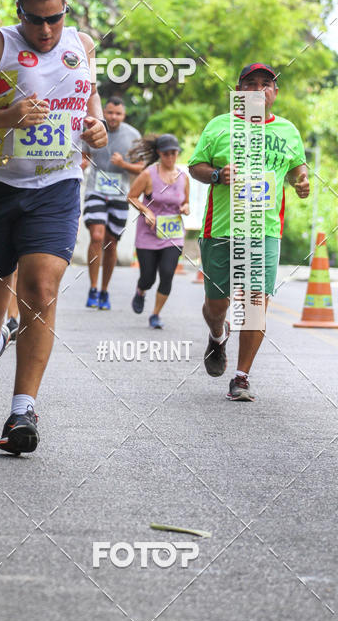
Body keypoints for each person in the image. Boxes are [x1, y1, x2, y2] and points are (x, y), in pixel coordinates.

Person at [0, 0, 107, 454]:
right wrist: (6, 117)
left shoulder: (84, 45)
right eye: (36, 20)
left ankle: (21, 412)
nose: (46, 30)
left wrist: (95, 125)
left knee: (41, 286)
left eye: (54, 18)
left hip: (56, 186)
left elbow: (89, 95)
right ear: (20, 13)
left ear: (65, 11)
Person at [188, 63, 309, 401]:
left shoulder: (287, 131)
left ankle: (241, 377)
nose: (258, 90)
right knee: (217, 304)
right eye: (250, 84)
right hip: (221, 230)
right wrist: (216, 176)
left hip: (265, 230)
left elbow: (298, 169)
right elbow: (195, 166)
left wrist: (301, 182)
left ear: (275, 93)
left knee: (255, 304)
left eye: (265, 84)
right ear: (239, 92)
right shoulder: (219, 126)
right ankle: (217, 335)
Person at [82, 97, 142, 309]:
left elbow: (141, 167)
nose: (113, 117)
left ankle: (105, 291)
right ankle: (93, 287)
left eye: (118, 114)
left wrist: (123, 163)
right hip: (95, 191)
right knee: (97, 236)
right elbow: (83, 156)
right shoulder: (93, 128)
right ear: (104, 112)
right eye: (109, 113)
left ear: (123, 116)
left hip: (119, 195)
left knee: (111, 242)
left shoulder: (133, 135)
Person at [127, 134, 189, 328]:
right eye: (166, 154)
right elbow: (131, 197)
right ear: (159, 154)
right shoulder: (148, 174)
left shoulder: (183, 177)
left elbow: (186, 202)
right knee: (148, 277)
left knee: (167, 272)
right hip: (149, 233)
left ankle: (155, 314)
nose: (170, 157)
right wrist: (146, 210)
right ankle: (141, 290)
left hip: (173, 234)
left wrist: (186, 208)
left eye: (174, 153)